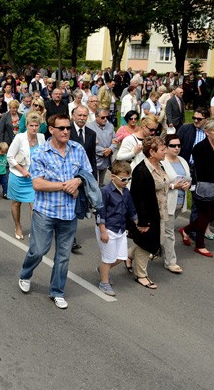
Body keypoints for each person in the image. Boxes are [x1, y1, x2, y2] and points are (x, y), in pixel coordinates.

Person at [18, 113, 91, 310]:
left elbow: (87, 173)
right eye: (62, 128)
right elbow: (37, 183)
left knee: (63, 255)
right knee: (39, 250)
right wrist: (64, 186)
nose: (66, 131)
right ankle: (25, 274)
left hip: (69, 213)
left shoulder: (78, 149)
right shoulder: (41, 153)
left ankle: (57, 291)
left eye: (68, 127)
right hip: (45, 211)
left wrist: (78, 181)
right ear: (51, 130)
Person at [128, 136, 169, 290]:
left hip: (160, 212)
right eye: (162, 149)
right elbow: (138, 199)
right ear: (152, 152)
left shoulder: (160, 166)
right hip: (149, 215)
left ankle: (129, 255)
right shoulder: (141, 171)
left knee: (156, 241)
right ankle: (141, 275)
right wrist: (143, 222)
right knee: (147, 245)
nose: (166, 151)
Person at [183, 119, 214, 257]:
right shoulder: (199, 148)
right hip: (203, 186)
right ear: (207, 132)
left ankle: (186, 230)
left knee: (210, 215)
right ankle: (199, 244)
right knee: (204, 215)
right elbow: (203, 170)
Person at [95, 161, 138, 296]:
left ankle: (103, 269)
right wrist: (103, 231)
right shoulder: (105, 192)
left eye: (128, 179)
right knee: (108, 259)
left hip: (120, 229)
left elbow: (131, 209)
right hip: (108, 228)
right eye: (123, 179)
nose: (126, 182)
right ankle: (104, 283)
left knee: (121, 257)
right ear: (113, 176)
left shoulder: (126, 192)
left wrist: (138, 222)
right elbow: (100, 213)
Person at [8, 112, 45, 239]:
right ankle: (17, 226)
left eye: (36, 125)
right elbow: (10, 157)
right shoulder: (19, 138)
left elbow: (44, 156)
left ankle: (34, 229)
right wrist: (22, 171)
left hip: (34, 177)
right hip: (18, 175)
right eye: (31, 126)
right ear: (27, 125)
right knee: (16, 203)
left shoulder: (41, 137)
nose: (34, 128)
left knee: (34, 204)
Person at [160, 133, 190, 274]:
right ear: (165, 147)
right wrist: (173, 186)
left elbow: (188, 179)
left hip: (180, 203)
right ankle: (170, 262)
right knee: (169, 233)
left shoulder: (183, 161)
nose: (176, 148)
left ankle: (147, 251)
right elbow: (157, 184)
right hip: (166, 204)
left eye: (178, 145)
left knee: (163, 231)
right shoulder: (162, 162)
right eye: (173, 145)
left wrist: (186, 185)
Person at [87, 108, 118, 186]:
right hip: (95, 160)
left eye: (107, 117)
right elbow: (90, 145)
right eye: (102, 117)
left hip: (106, 160)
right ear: (96, 116)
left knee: (101, 182)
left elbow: (115, 141)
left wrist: (110, 149)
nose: (105, 119)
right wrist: (104, 151)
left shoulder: (110, 126)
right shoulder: (89, 127)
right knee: (93, 183)